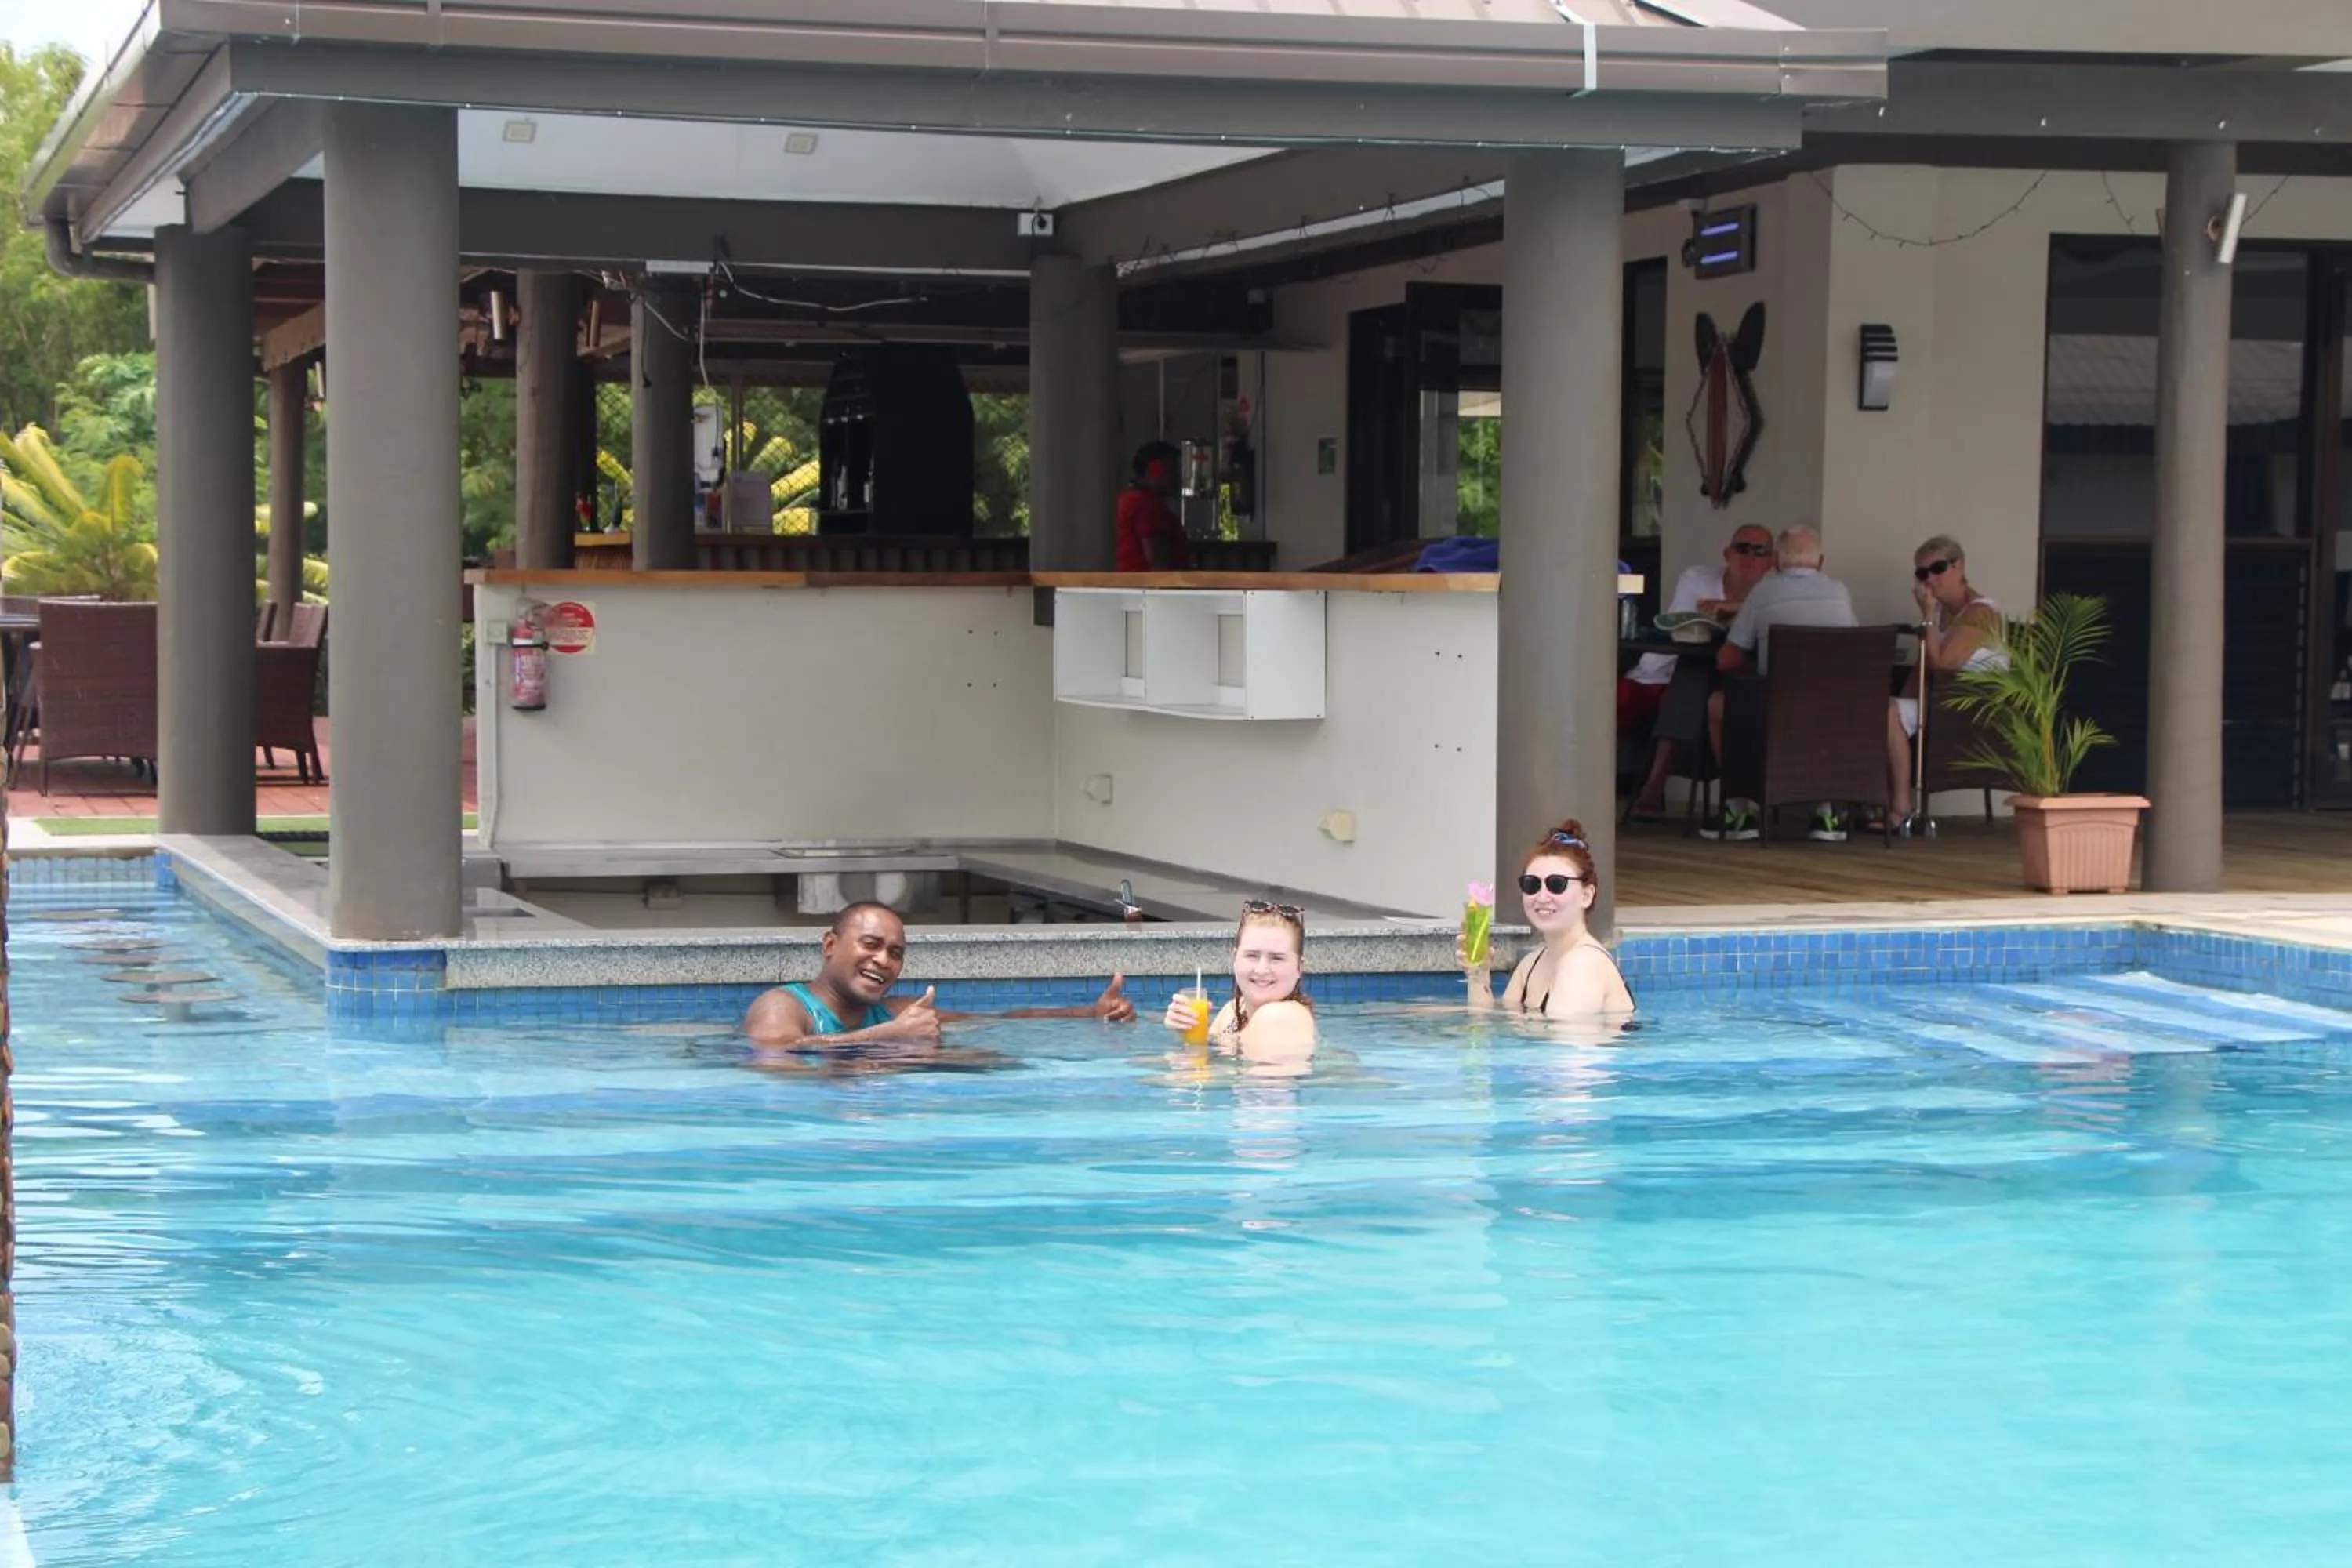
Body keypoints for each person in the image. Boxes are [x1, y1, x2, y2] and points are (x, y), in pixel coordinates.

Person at [742, 902, 1136, 1050]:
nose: (883, 961)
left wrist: (1090, 1012)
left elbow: (998, 1020)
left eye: (895, 953)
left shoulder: (894, 1011)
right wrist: (888, 1038)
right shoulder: (782, 1006)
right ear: (830, 945)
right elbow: (779, 1057)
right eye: (870, 944)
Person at [1704, 524, 1858, 840]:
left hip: (1776, 712)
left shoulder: (1764, 592)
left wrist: (1761, 660)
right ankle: (1826, 814)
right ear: (1821, 562)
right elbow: (1850, 649)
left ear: (1775, 560)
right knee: (1819, 713)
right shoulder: (1840, 592)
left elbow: (1726, 660)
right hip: (1834, 714)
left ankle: (1741, 811)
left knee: (1719, 705)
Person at [1621, 523, 1777, 820]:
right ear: (1727, 553)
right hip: (1688, 670)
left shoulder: (1776, 589)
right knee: (1691, 677)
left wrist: (1733, 607)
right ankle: (1727, 805)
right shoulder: (1697, 579)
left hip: (1753, 675)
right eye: (1743, 547)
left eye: (1760, 551)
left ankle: (1655, 789)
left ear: (1771, 561)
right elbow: (1678, 630)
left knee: (1694, 682)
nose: (1751, 556)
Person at [1884, 535, 2007, 829]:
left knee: (1890, 713)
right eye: (1922, 573)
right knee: (1883, 710)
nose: (1930, 579)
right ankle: (1881, 800)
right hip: (1946, 701)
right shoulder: (1940, 611)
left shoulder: (1980, 612)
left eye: (1937, 569)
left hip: (1976, 708)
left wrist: (1925, 617)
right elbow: (1925, 665)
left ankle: (1901, 807)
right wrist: (1901, 701)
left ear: (1959, 567)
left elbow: (1942, 664)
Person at [1462, 822, 1635, 1018]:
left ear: (1586, 896)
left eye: (1556, 884)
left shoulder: (1583, 965)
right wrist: (1478, 975)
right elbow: (1489, 1026)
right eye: (1532, 885)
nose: (1542, 897)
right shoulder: (1530, 965)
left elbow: (1565, 1045)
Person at [1162, 900, 1319, 1067]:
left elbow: (1263, 1088)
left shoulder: (1281, 1017)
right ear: (1235, 958)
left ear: (1299, 967)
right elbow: (1200, 1062)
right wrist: (1187, 1030)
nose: (1261, 969)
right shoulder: (1232, 1012)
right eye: (1252, 955)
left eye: (1277, 958)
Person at [1115, 441, 1194, 572]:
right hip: (1148, 588)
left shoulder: (1131, 499)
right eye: (1172, 471)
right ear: (1155, 471)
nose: (1178, 478)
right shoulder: (1146, 504)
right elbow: (1157, 562)